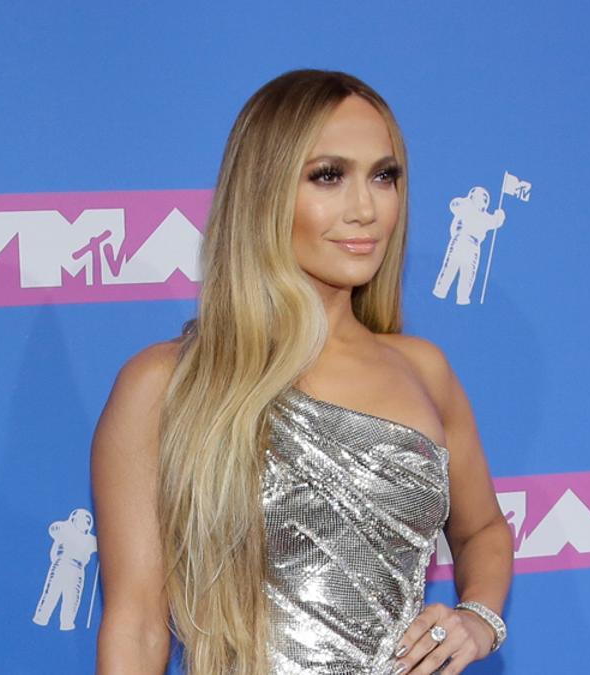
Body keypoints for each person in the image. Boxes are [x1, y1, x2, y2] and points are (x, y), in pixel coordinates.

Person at [92, 69, 513, 674]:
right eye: (328, 176)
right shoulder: (166, 384)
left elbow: (485, 531)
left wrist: (478, 619)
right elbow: (134, 627)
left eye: (384, 176)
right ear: (262, 191)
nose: (366, 208)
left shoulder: (424, 368)